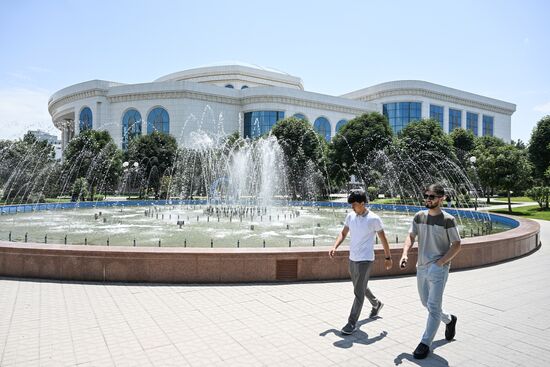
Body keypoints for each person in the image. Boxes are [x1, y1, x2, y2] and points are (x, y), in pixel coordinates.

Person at [399, 184, 462, 359]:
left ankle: (425, 343)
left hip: (438, 268)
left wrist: (440, 263)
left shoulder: (448, 219)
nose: (428, 199)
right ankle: (449, 320)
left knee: (433, 307)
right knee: (426, 303)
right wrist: (405, 253)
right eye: (426, 196)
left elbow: (457, 244)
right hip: (421, 267)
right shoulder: (419, 216)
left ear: (441, 198)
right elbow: (411, 236)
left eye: (432, 196)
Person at [329, 189, 393, 335]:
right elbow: (343, 233)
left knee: (358, 292)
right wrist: (335, 246)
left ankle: (351, 323)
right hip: (353, 258)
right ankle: (376, 303)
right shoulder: (351, 216)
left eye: (354, 204)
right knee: (360, 287)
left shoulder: (374, 219)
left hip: (365, 260)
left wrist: (388, 258)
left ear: (363, 203)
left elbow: (383, 238)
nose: (352, 207)